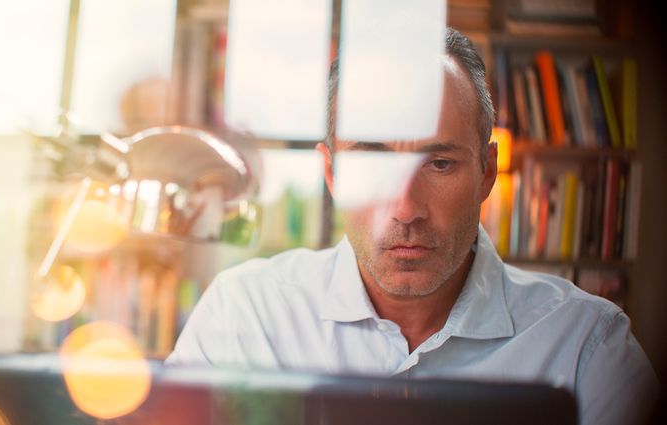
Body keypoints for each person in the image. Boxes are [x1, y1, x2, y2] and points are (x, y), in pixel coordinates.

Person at [166, 28, 659, 424]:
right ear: (332, 173)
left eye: (439, 164)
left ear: (487, 172)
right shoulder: (243, 318)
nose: (404, 209)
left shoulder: (586, 347)